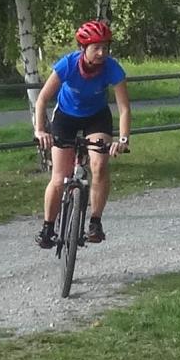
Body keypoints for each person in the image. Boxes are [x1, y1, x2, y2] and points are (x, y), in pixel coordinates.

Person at [33, 20, 131, 248]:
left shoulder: (112, 68)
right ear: (83, 48)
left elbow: (124, 108)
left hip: (96, 117)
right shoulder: (67, 64)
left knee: (99, 165)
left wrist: (123, 139)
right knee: (60, 176)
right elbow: (42, 99)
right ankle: (48, 227)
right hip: (66, 116)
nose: (101, 53)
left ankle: (95, 222)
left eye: (105, 47)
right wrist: (40, 130)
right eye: (96, 48)